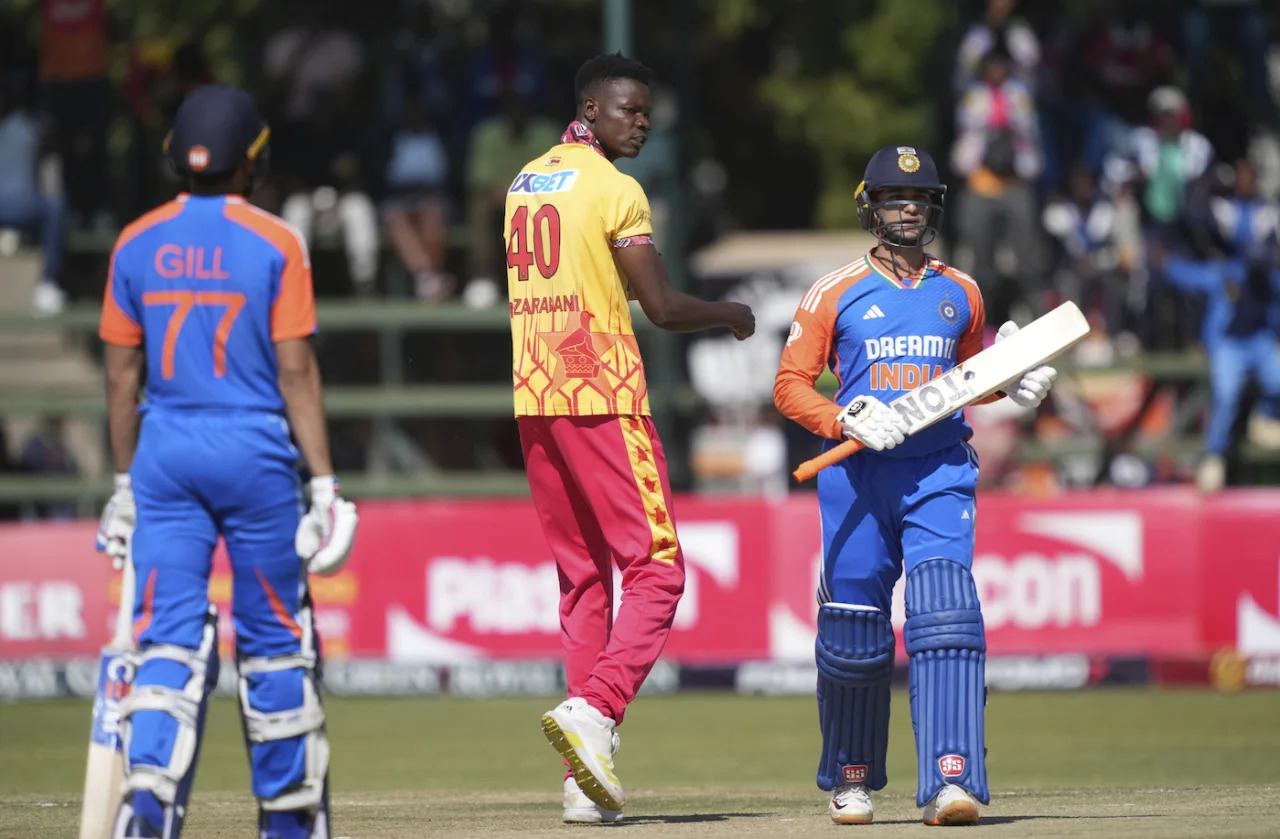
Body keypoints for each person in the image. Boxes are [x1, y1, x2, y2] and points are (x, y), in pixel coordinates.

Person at [95, 84, 358, 839]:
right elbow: (296, 370)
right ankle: (289, 818)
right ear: (256, 157)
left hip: (165, 453)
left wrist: (121, 485)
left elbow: (120, 378)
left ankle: (148, 789)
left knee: (168, 638)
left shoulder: (135, 241)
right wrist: (325, 483)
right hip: (255, 452)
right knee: (275, 638)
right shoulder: (276, 241)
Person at [773, 145, 1057, 826]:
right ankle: (853, 776)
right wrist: (845, 415)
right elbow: (788, 386)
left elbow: (961, 386)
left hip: (937, 471)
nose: (908, 209)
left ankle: (950, 778)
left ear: (934, 208)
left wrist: (1009, 383)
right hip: (855, 480)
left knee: (945, 611)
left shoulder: (961, 291)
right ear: (870, 206)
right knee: (854, 634)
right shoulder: (835, 290)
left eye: (921, 199)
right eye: (896, 198)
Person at [509, 54, 754, 824]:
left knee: (583, 580)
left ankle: (585, 781)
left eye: (646, 111)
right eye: (628, 109)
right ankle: (599, 710)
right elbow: (661, 307)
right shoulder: (616, 188)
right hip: (603, 396)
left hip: (536, 399)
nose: (641, 122)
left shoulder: (524, 181)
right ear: (591, 106)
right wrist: (730, 314)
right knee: (657, 569)